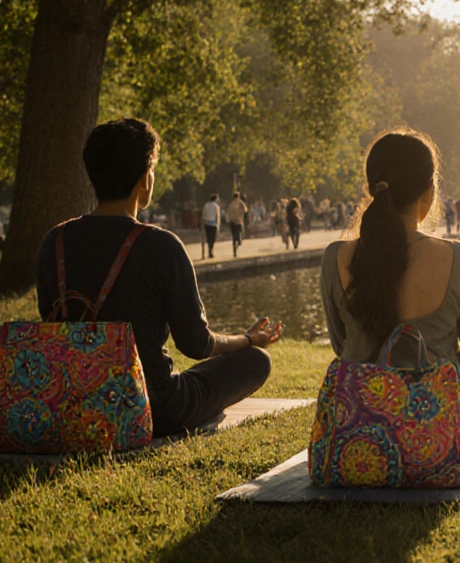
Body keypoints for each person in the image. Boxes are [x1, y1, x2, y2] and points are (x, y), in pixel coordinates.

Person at [36, 118, 280, 437]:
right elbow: (196, 343)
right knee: (256, 361)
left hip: (71, 404)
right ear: (144, 177)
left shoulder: (53, 242)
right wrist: (248, 340)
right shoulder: (160, 245)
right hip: (152, 408)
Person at [320, 128, 460, 457]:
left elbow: (343, 348)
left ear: (371, 190)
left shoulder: (334, 257)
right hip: (434, 444)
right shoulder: (458, 258)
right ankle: (452, 432)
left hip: (358, 437)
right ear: (429, 192)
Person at [226, 192, 248, 258]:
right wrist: (242, 202)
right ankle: (237, 245)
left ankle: (234, 251)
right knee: (239, 236)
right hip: (238, 222)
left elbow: (228, 213)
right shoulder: (240, 203)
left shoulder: (230, 204)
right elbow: (245, 210)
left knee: (234, 237)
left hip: (231, 222)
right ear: (238, 197)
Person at [202, 193, 221, 259]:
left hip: (207, 224)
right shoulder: (216, 206)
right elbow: (218, 216)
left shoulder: (206, 205)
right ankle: (211, 251)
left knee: (208, 237)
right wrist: (218, 225)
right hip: (213, 224)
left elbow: (203, 214)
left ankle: (209, 249)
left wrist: (204, 221)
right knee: (212, 238)